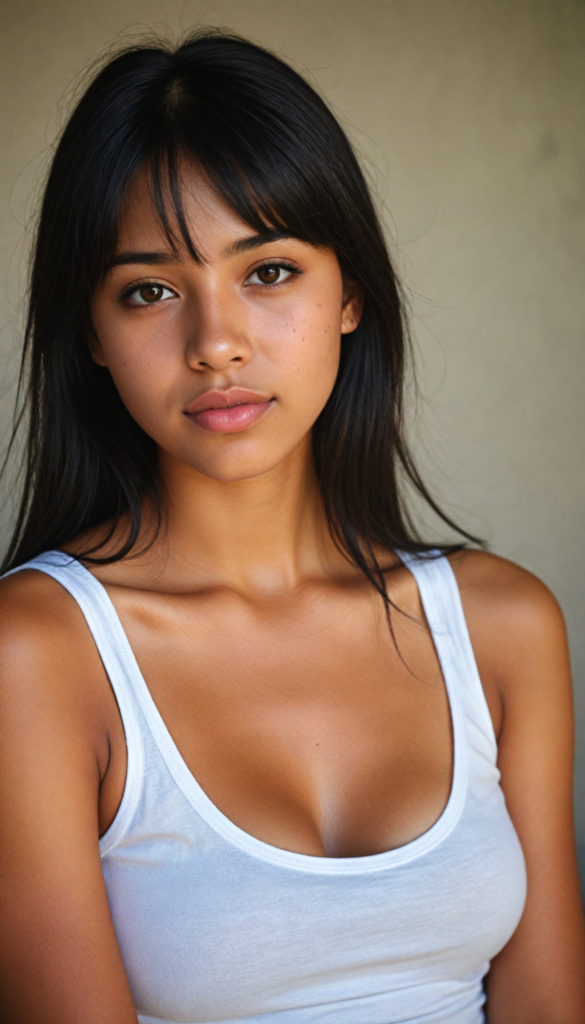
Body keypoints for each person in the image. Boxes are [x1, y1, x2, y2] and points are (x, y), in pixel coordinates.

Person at [0, 28, 583, 1024]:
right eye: (150, 290)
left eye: (267, 271)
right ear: (91, 332)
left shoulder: (503, 627)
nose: (216, 343)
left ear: (350, 291)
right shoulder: (37, 656)